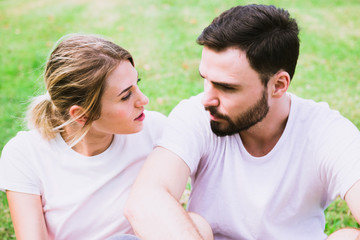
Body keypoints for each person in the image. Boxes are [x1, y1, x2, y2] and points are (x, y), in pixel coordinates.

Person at [125, 4, 360, 240]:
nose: (207, 98)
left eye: (227, 87)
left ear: (278, 85)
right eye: (206, 79)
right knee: (195, 224)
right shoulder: (196, 115)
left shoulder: (325, 132)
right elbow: (146, 199)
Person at [0, 34, 166, 240]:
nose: (144, 100)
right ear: (81, 115)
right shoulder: (25, 154)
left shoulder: (155, 131)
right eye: (125, 96)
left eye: (137, 84)